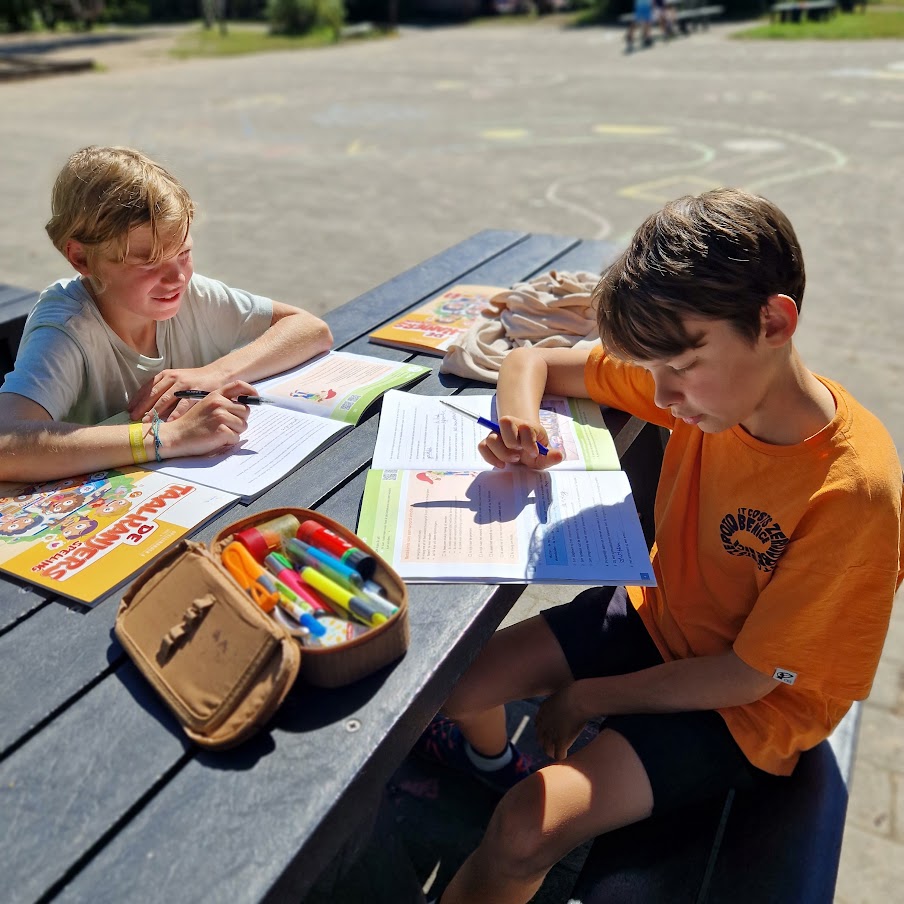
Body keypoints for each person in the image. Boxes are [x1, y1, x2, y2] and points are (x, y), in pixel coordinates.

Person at [415, 188, 903, 904]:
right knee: (448, 688)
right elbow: (538, 361)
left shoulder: (854, 493)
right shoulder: (710, 388)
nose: (665, 396)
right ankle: (491, 764)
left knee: (524, 830)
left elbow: (748, 677)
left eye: (682, 364)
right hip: (654, 616)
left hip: (746, 709)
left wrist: (587, 698)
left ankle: (515, 795)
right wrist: (520, 425)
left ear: (774, 320)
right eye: (657, 371)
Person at [0, 146, 333, 484]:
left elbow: (310, 328)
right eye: (148, 261)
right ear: (82, 259)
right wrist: (169, 437)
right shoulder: (67, 328)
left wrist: (214, 373)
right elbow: (5, 443)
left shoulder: (194, 296)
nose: (177, 278)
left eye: (184, 252)